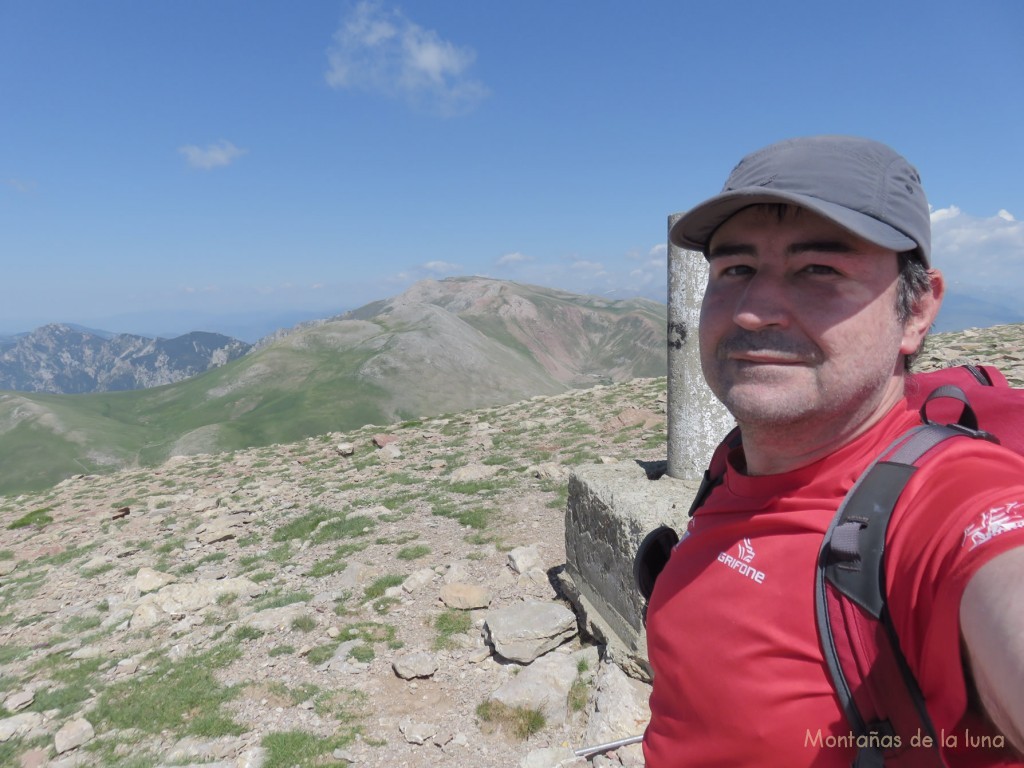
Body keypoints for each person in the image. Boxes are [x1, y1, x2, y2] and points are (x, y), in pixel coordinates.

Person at [643, 135, 1024, 767]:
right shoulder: (736, 461)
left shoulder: (946, 497)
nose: (753, 313)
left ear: (917, 310)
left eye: (819, 269)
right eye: (735, 269)